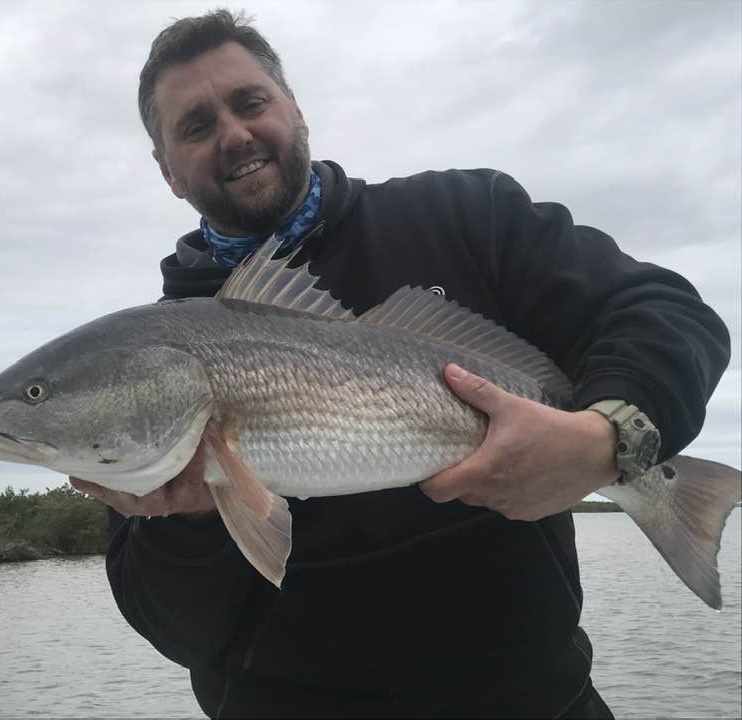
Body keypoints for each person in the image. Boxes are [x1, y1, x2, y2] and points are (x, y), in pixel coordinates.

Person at [71, 10, 731, 718]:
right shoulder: (146, 358)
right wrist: (192, 524)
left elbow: (663, 311)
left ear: (293, 107)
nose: (233, 134)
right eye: (195, 126)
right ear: (167, 169)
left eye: (250, 102)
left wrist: (609, 439)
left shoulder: (464, 215)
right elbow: (181, 634)